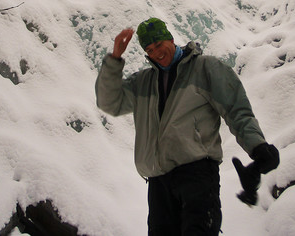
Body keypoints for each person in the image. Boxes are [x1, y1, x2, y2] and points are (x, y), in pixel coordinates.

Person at [95, 18, 279, 236]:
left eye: (159, 44)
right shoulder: (143, 82)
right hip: (158, 182)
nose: (156, 53)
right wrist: (115, 58)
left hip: (197, 175)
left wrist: (257, 147)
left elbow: (236, 110)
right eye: (149, 49)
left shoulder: (205, 68)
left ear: (170, 39)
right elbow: (109, 101)